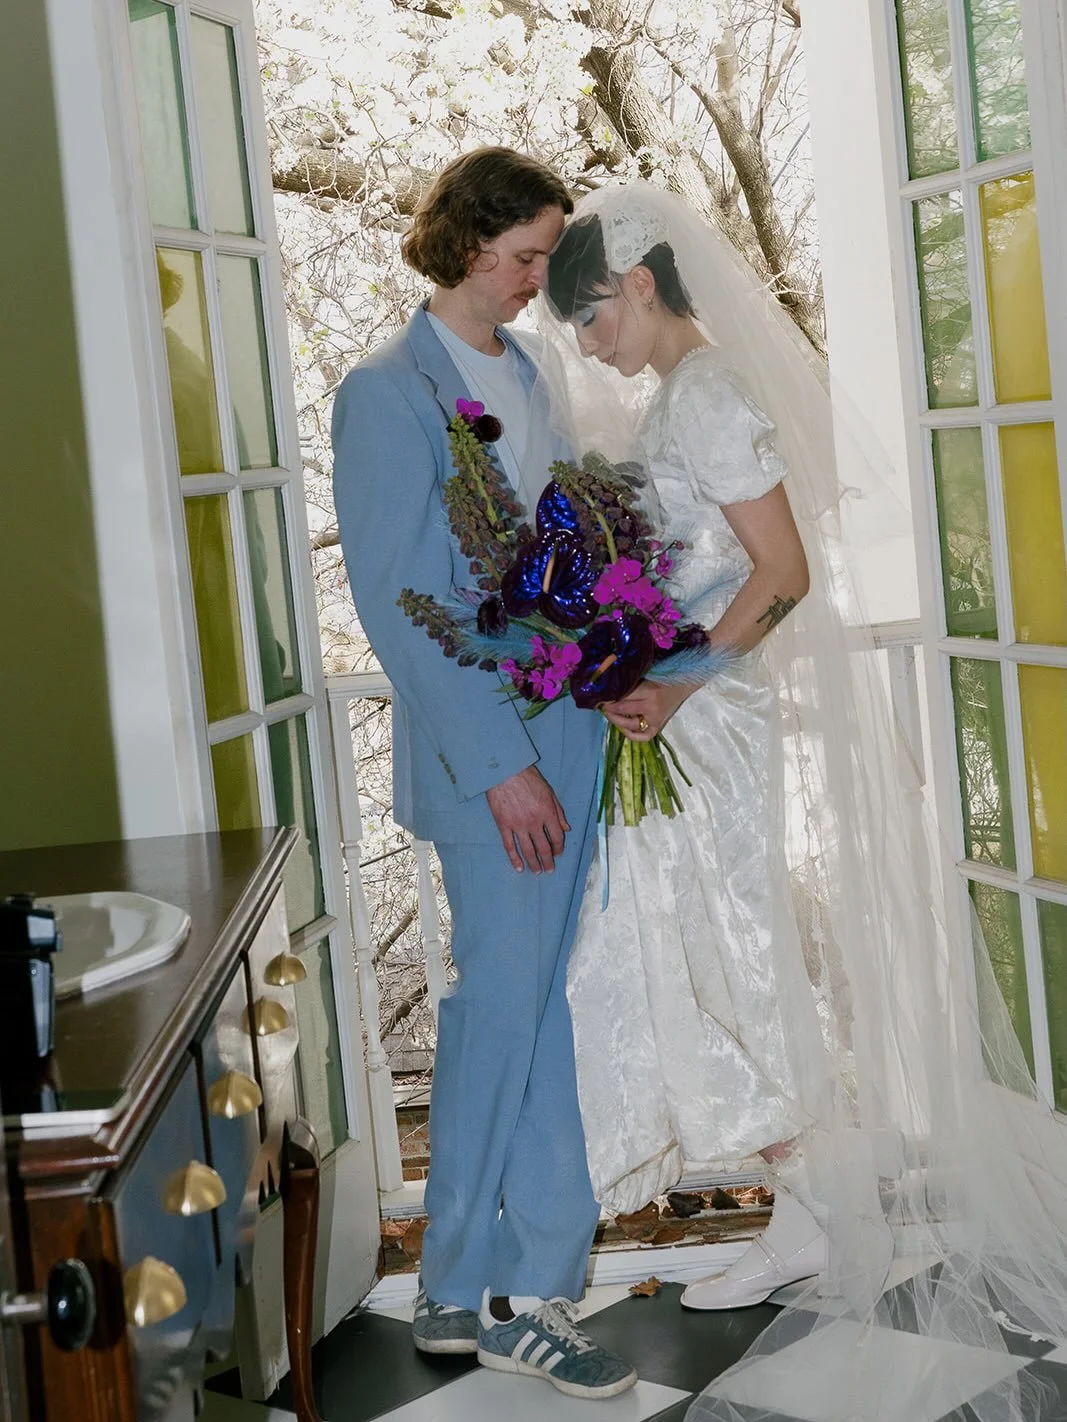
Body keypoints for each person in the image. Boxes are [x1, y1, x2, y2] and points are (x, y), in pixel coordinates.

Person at [542, 183, 1067, 1422]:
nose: (583, 341)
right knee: (714, 960)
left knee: (734, 959)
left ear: (639, 285)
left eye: (587, 314)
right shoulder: (680, 397)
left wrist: (675, 681)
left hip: (708, 722)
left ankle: (818, 1218)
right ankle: (797, 1214)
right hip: (683, 712)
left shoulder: (710, 396)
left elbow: (783, 572)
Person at [331, 148, 637, 1400]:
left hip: (568, 730)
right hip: (490, 759)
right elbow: (404, 606)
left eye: (540, 260)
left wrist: (615, 650)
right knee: (503, 1013)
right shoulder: (384, 392)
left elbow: (555, 542)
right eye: (519, 257)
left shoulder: (525, 371)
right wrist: (504, 765)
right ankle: (485, 1287)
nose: (531, 283)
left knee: (525, 1009)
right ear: (465, 242)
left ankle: (491, 1284)